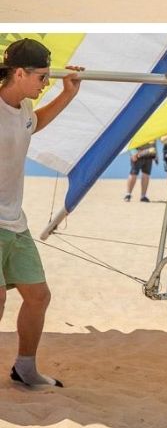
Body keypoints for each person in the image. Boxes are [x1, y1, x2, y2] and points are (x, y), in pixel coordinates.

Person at [1, 38, 83, 387]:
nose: (45, 83)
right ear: (19, 73)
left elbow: (38, 121)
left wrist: (68, 94)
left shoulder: (23, 112)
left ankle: (25, 368)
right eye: (42, 77)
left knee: (38, 296)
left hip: (14, 222)